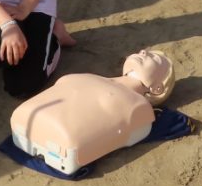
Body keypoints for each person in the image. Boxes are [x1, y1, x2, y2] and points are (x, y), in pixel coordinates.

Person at [9, 49, 176, 175]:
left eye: (154, 58)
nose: (144, 52)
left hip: (59, 140)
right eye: (143, 52)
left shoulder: (139, 107)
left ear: (157, 88)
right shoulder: (97, 78)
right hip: (31, 121)